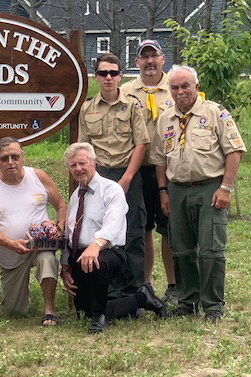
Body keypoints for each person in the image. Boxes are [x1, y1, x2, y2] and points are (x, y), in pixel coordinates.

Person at [152, 65, 246, 323]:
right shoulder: (165, 118)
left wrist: (225, 187)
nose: (180, 91)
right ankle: (188, 301)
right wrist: (163, 191)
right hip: (177, 190)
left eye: (185, 86)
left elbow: (234, 151)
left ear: (195, 86)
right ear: (169, 89)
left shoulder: (215, 113)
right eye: (175, 87)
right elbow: (160, 159)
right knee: (180, 249)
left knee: (210, 249)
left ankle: (213, 304)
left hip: (209, 189)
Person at [60, 143, 166, 334]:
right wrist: (65, 265)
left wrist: (95, 245)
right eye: (73, 165)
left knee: (95, 261)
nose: (78, 169)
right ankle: (141, 299)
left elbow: (113, 225)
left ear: (94, 163)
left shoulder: (111, 190)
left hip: (110, 253)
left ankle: (101, 315)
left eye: (82, 163)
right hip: (81, 255)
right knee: (83, 312)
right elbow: (70, 234)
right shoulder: (76, 195)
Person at [78, 53, 150, 299]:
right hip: (99, 175)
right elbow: (84, 148)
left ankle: (134, 292)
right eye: (103, 73)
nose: (108, 78)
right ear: (96, 76)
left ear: (120, 75)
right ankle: (107, 290)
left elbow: (141, 144)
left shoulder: (132, 105)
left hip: (126, 173)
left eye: (113, 73)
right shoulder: (87, 108)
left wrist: (127, 179)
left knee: (132, 232)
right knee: (100, 230)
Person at [0, 137, 67, 326]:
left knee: (47, 259)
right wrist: (10, 244)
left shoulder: (38, 176)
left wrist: (58, 228)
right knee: (14, 311)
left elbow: (60, 205)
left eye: (15, 157)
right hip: (11, 252)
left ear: (23, 157)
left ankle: (49, 310)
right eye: (4, 158)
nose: (10, 162)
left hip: (41, 245)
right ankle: (19, 299)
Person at [120, 40, 177, 305]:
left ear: (163, 59)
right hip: (138, 169)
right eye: (144, 57)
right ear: (137, 63)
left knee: (168, 229)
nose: (149, 61)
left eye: (154, 56)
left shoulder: (176, 88)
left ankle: (173, 284)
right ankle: (144, 283)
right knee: (142, 228)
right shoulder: (126, 91)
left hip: (169, 168)